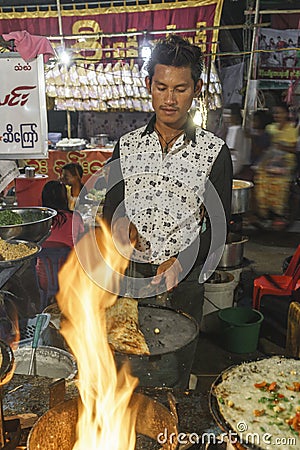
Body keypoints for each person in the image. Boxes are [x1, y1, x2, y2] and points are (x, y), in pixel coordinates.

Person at [103, 34, 232, 326]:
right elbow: (111, 206)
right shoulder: (126, 146)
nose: (170, 99)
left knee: (176, 364)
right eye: (161, 87)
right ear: (149, 85)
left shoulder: (214, 152)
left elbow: (218, 225)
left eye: (180, 89)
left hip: (184, 281)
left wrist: (180, 263)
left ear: (196, 89)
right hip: (131, 276)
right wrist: (121, 228)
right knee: (127, 359)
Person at [36, 180, 84, 306]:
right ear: (64, 197)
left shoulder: (39, 220)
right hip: (70, 277)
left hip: (44, 279)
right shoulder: (75, 218)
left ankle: (45, 308)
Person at [254, 103, 298, 230]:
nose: (277, 116)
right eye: (275, 113)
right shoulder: (270, 128)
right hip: (270, 160)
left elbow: (294, 149)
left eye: (280, 113)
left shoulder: (293, 129)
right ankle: (265, 214)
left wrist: (281, 147)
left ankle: (279, 215)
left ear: (286, 114)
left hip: (286, 162)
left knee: (280, 182)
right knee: (261, 178)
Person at [224, 103, 251, 179]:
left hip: (235, 162)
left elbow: (231, 148)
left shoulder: (235, 129)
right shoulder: (241, 129)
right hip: (241, 162)